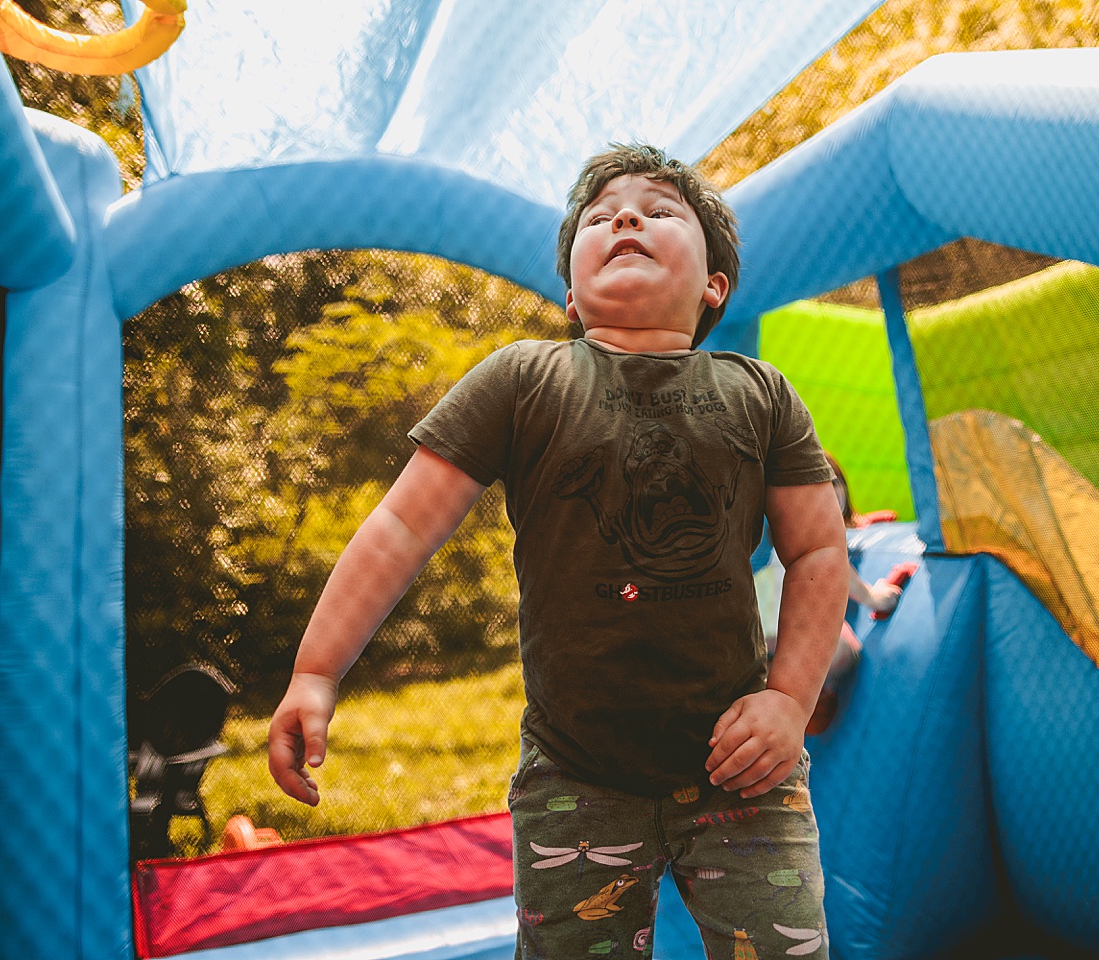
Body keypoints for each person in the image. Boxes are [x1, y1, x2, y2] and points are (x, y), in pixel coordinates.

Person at [267, 143, 848, 960]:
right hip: (576, 776)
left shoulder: (760, 394)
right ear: (571, 294)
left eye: (659, 209)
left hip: (743, 773)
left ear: (715, 283)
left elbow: (820, 551)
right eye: (602, 213)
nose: (626, 217)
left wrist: (789, 700)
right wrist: (317, 669)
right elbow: (401, 528)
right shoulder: (523, 381)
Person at [755, 456, 902, 734]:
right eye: (817, 485)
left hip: (760, 628)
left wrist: (860, 523)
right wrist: (873, 597)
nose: (827, 492)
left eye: (832, 483)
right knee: (842, 652)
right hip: (771, 624)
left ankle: (779, 690)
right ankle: (794, 699)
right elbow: (832, 561)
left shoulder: (784, 516)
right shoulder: (802, 522)